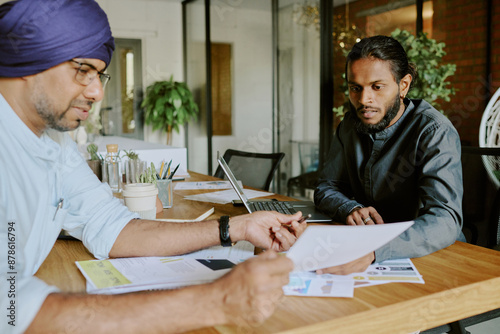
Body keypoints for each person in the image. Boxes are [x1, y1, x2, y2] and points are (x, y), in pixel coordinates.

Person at [0, 1, 306, 333]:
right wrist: (214, 302)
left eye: (99, 74)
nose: (97, 91)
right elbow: (10, 312)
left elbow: (114, 227)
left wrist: (236, 228)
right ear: (28, 59)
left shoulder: (54, 143)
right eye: (83, 70)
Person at [314, 35, 464, 275]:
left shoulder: (434, 131)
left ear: (403, 85)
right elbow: (326, 187)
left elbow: (445, 220)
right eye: (356, 88)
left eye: (377, 87)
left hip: (433, 258)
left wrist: (374, 250)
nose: (364, 100)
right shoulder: (349, 125)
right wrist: (350, 208)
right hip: (369, 254)